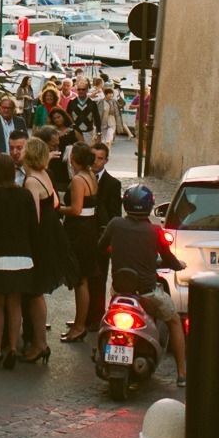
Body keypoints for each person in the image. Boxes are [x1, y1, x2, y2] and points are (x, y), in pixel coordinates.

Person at [98, 184, 187, 387]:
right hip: (148, 294)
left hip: (120, 293)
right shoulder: (154, 231)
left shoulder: (115, 224)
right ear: (149, 206)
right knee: (174, 320)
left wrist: (115, 251)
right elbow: (169, 259)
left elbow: (101, 247)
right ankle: (182, 372)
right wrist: (180, 265)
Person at [0, 153, 38, 371]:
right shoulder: (25, 195)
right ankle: (13, 347)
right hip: (22, 258)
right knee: (15, 306)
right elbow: (33, 227)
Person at [19, 136, 67, 364]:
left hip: (40, 242)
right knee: (35, 294)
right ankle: (40, 343)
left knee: (34, 293)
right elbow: (55, 203)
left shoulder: (31, 181)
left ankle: (39, 343)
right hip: (51, 236)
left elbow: (32, 219)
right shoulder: (45, 175)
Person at [58, 142, 98, 342]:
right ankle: (79, 320)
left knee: (80, 279)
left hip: (79, 231)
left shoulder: (78, 180)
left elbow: (75, 209)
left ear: (74, 159)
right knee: (83, 279)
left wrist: (57, 209)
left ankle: (80, 325)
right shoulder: (91, 177)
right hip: (89, 228)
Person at [87, 141, 123, 329]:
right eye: (93, 157)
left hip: (102, 236)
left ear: (106, 160)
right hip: (85, 234)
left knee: (99, 278)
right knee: (84, 278)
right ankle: (83, 317)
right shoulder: (82, 177)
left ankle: (96, 317)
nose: (96, 162)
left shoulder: (112, 183)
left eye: (100, 158)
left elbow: (116, 214)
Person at [67, 79, 100, 145]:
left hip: (88, 132)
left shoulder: (92, 103)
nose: (81, 91)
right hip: (74, 132)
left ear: (87, 90)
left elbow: (97, 118)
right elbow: (67, 116)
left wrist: (99, 133)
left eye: (83, 89)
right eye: (79, 89)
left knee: (85, 151)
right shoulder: (72, 102)